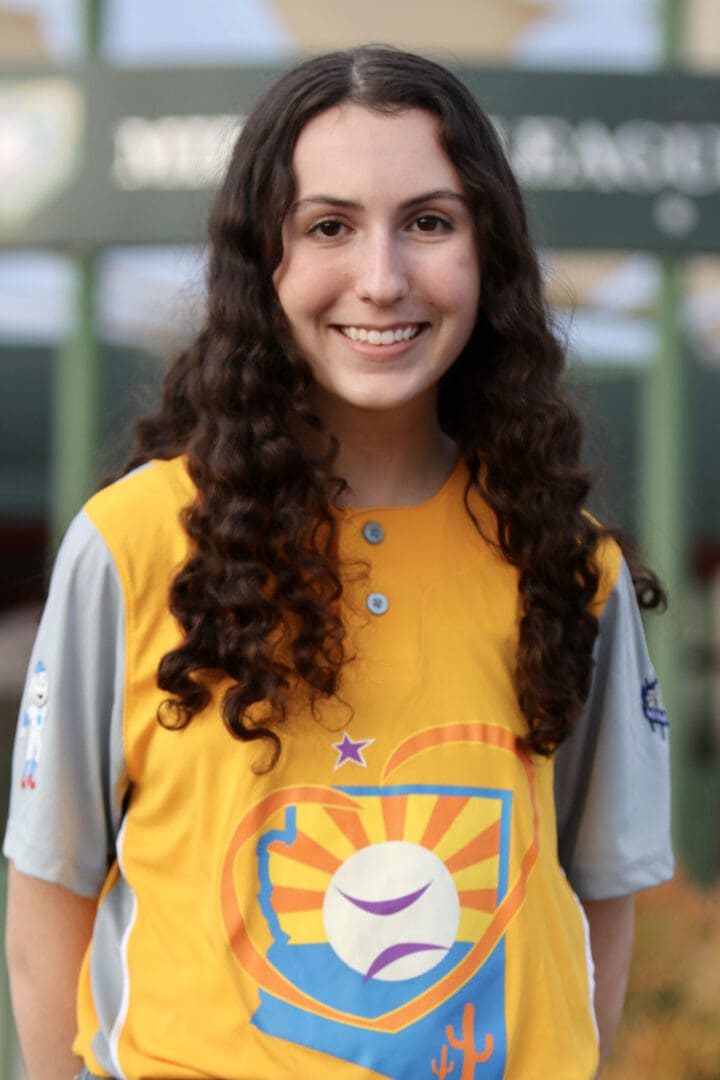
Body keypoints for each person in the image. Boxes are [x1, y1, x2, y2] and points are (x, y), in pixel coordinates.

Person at [4, 46, 673, 1080]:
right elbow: (50, 891)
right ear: (259, 261)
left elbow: (602, 901)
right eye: (329, 226)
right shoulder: (132, 543)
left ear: (487, 252)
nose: (381, 278)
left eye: (429, 222)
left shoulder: (567, 564)